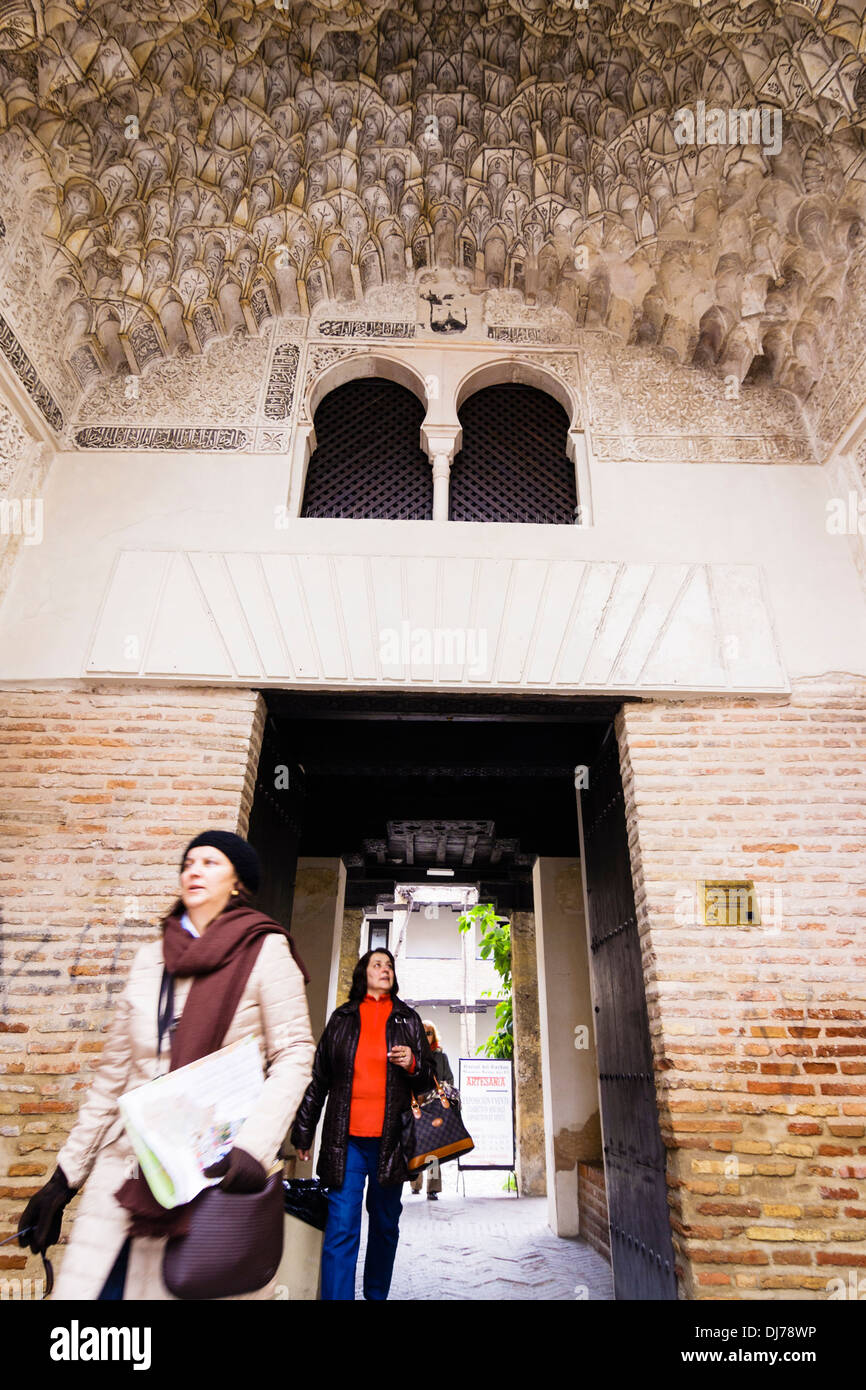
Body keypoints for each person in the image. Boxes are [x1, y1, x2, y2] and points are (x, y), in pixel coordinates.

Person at [17, 831, 315, 1300]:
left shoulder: (266, 951)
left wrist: (252, 1151)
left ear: (238, 881)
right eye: (188, 863)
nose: (193, 870)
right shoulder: (150, 959)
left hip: (210, 1171)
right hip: (126, 1172)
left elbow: (295, 1054)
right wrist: (63, 1179)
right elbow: (113, 1078)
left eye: (210, 862)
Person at [291, 948, 435, 1300]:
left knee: (385, 1227)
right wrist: (304, 1130)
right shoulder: (341, 1019)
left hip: (392, 1143)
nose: (384, 969)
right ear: (363, 974)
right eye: (377, 964)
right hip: (347, 1142)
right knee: (341, 1228)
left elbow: (429, 1082)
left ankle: (375, 1295)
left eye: (389, 965)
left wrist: (414, 1062)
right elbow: (319, 1078)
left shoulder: (408, 1020)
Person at [409, 1020, 454, 1200]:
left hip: (434, 1106)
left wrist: (437, 1091)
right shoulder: (412, 1055)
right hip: (417, 1106)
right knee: (417, 1145)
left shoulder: (441, 1057)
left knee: (434, 1149)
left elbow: (449, 1080)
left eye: (429, 1033)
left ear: (433, 1036)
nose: (426, 1036)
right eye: (423, 1032)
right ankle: (415, 1183)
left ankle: (433, 1188)